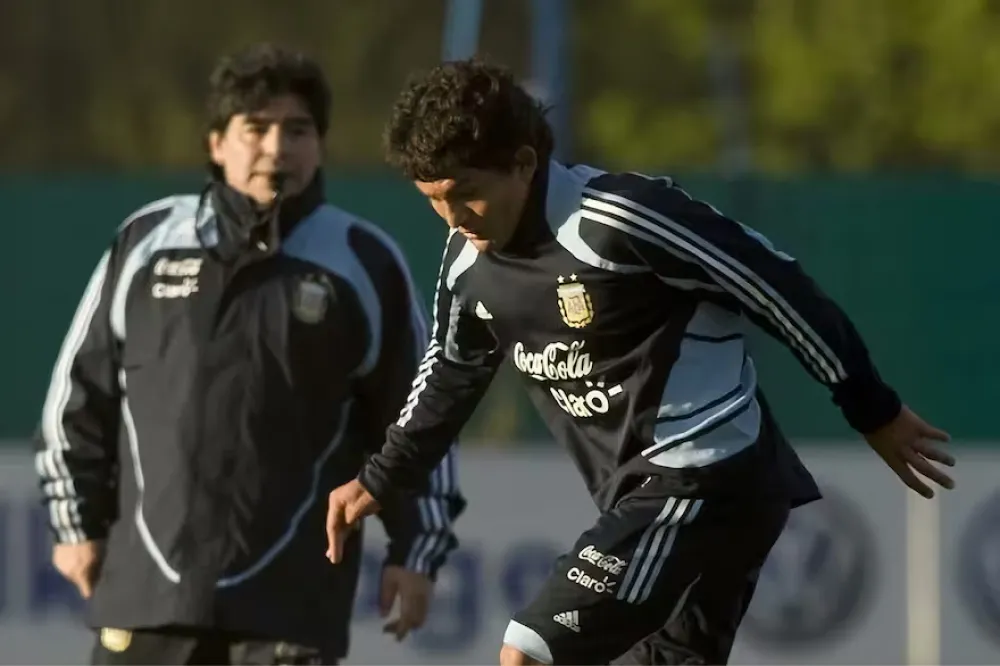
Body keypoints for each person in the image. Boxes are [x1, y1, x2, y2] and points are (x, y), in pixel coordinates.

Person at [324, 58, 956, 666]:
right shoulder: (467, 259)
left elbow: (774, 285)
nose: (453, 216)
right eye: (433, 199)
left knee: (530, 652)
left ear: (523, 163)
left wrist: (871, 408)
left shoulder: (619, 219)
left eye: (467, 193)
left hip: (704, 475)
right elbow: (451, 371)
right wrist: (382, 477)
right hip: (652, 494)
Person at [34, 43, 464, 666]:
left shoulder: (365, 260)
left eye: (297, 130)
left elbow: (419, 421)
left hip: (292, 609)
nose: (276, 148)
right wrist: (75, 526)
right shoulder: (147, 240)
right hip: (144, 601)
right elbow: (77, 397)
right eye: (255, 129)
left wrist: (416, 552)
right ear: (217, 143)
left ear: (320, 145)